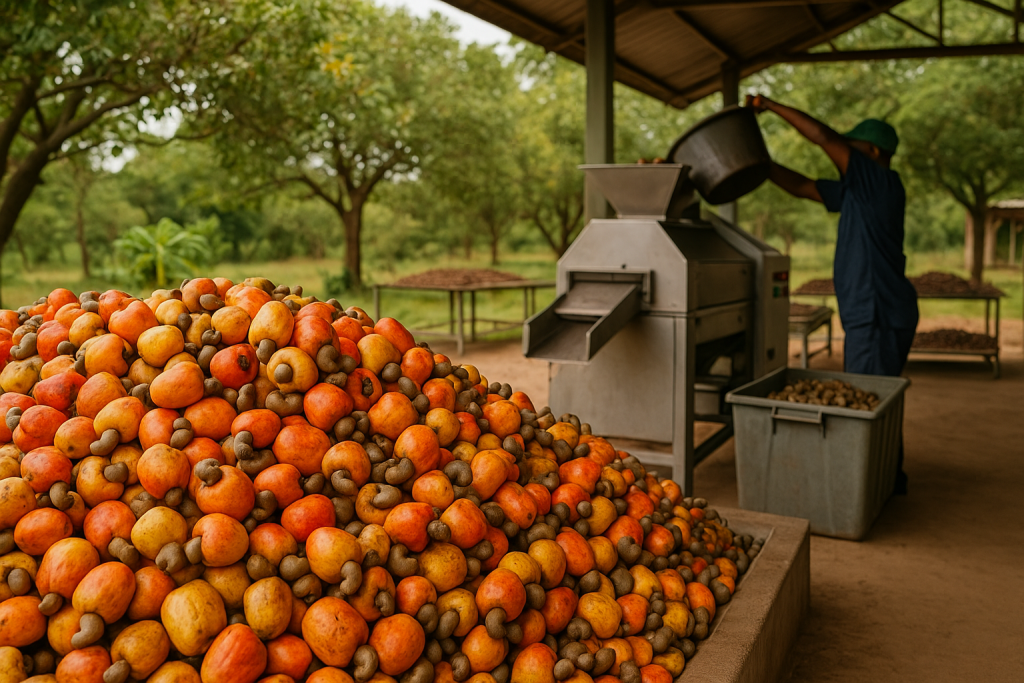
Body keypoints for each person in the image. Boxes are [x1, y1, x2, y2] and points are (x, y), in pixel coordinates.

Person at [746, 95, 917, 494]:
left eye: (852, 147)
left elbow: (824, 137)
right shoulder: (858, 191)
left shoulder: (880, 182)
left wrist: (770, 104)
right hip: (873, 310)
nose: (844, 154)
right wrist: (760, 164)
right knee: (878, 396)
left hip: (877, 312)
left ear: (873, 152)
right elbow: (802, 186)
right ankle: (887, 478)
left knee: (868, 400)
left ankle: (871, 487)